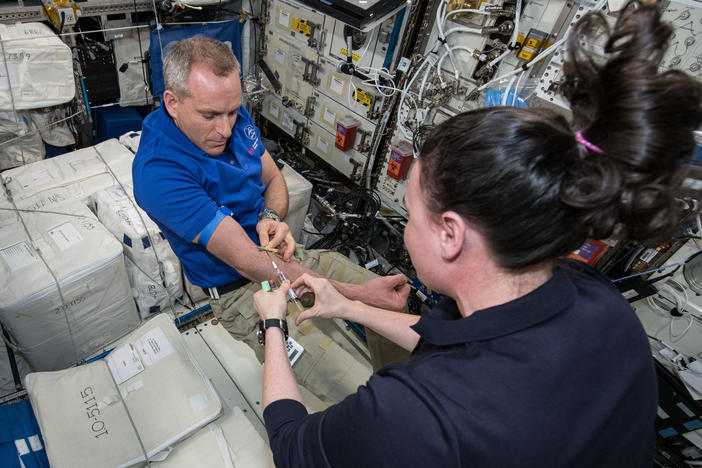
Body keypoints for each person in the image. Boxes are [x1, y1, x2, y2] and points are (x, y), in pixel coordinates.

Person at [252, 2, 702, 466]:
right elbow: (450, 338)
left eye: (410, 212)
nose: (405, 229)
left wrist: (272, 322)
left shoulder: (417, 414)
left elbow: (291, 443)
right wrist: (347, 305)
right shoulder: (599, 302)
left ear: (451, 234)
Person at [132, 37, 409, 406]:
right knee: (365, 395)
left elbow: (274, 179)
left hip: (284, 261)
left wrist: (270, 216)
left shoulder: (228, 115)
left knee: (393, 303)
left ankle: (410, 390)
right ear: (173, 103)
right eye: (211, 115)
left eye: (233, 112)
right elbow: (250, 263)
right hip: (243, 293)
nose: (226, 129)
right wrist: (354, 296)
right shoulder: (160, 173)